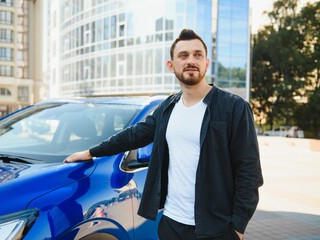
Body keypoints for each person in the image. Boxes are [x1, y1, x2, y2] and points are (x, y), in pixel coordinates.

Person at [64, 29, 263, 240]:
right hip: (170, 224)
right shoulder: (168, 108)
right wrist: (91, 152)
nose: (191, 60)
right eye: (183, 55)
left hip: (216, 229)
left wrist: (238, 229)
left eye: (198, 55)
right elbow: (134, 134)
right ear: (171, 65)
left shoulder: (234, 108)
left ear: (207, 63)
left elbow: (249, 173)